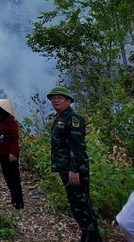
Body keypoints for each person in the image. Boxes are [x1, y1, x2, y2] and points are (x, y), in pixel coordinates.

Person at [47, 86, 102, 242]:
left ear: (68, 100)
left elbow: (77, 146)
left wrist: (74, 169)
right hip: (65, 168)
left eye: (60, 98)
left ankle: (94, 238)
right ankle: (86, 234)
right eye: (53, 98)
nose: (55, 100)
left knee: (82, 205)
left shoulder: (74, 119)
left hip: (74, 170)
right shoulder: (61, 118)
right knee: (76, 205)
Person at [0, 98, 24, 209]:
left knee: (13, 178)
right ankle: (14, 200)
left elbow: (15, 138)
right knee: (8, 177)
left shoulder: (10, 121)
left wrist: (13, 152)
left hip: (9, 153)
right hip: (2, 152)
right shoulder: (1, 119)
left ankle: (18, 202)